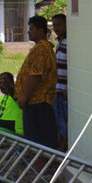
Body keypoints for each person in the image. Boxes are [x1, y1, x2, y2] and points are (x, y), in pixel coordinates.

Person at [15, 15, 57, 148]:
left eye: (32, 29)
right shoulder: (40, 48)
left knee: (37, 139)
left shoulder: (42, 49)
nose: (28, 32)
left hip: (38, 101)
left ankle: (40, 165)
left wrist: (24, 95)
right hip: (36, 102)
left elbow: (36, 75)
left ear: (41, 31)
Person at [52, 14, 68, 150]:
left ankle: (63, 152)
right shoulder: (59, 43)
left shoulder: (69, 43)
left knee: (64, 125)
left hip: (64, 91)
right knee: (59, 123)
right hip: (57, 89)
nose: (57, 28)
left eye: (59, 24)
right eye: (54, 25)